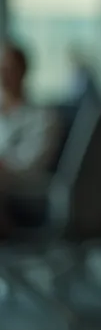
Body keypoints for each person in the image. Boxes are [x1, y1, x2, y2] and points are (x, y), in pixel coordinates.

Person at [0, 42, 58, 237]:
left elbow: (30, 166)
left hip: (25, 194)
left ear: (23, 72)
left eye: (8, 69)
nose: (3, 76)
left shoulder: (43, 117)